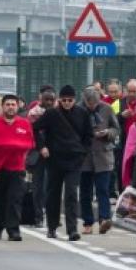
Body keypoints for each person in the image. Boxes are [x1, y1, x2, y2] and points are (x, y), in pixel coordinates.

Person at [33, 85, 93, 241]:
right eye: (64, 100)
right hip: (54, 159)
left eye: (70, 100)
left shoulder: (82, 113)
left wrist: (83, 152)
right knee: (53, 194)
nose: (67, 103)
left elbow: (89, 135)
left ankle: (72, 229)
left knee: (71, 194)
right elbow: (34, 128)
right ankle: (52, 227)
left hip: (74, 159)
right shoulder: (52, 113)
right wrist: (42, 147)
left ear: (75, 100)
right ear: (59, 100)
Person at [0, 95, 34, 241]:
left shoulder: (24, 124)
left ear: (17, 107)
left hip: (17, 169)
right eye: (7, 104)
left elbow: (29, 144)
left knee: (15, 200)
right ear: (2, 106)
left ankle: (13, 230)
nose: (11, 107)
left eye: (13, 104)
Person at [78, 86, 120, 235]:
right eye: (89, 104)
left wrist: (107, 132)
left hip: (103, 155)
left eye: (94, 104)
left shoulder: (107, 109)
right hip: (85, 157)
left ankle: (104, 219)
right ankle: (88, 222)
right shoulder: (78, 110)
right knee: (85, 192)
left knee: (103, 190)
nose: (92, 106)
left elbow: (116, 129)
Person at [26, 88, 56, 227]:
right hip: (38, 154)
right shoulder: (33, 113)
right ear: (41, 99)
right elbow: (33, 133)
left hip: (54, 153)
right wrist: (42, 147)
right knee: (38, 186)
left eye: (52, 99)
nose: (49, 102)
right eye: (46, 99)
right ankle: (38, 216)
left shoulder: (57, 112)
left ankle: (52, 215)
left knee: (53, 186)